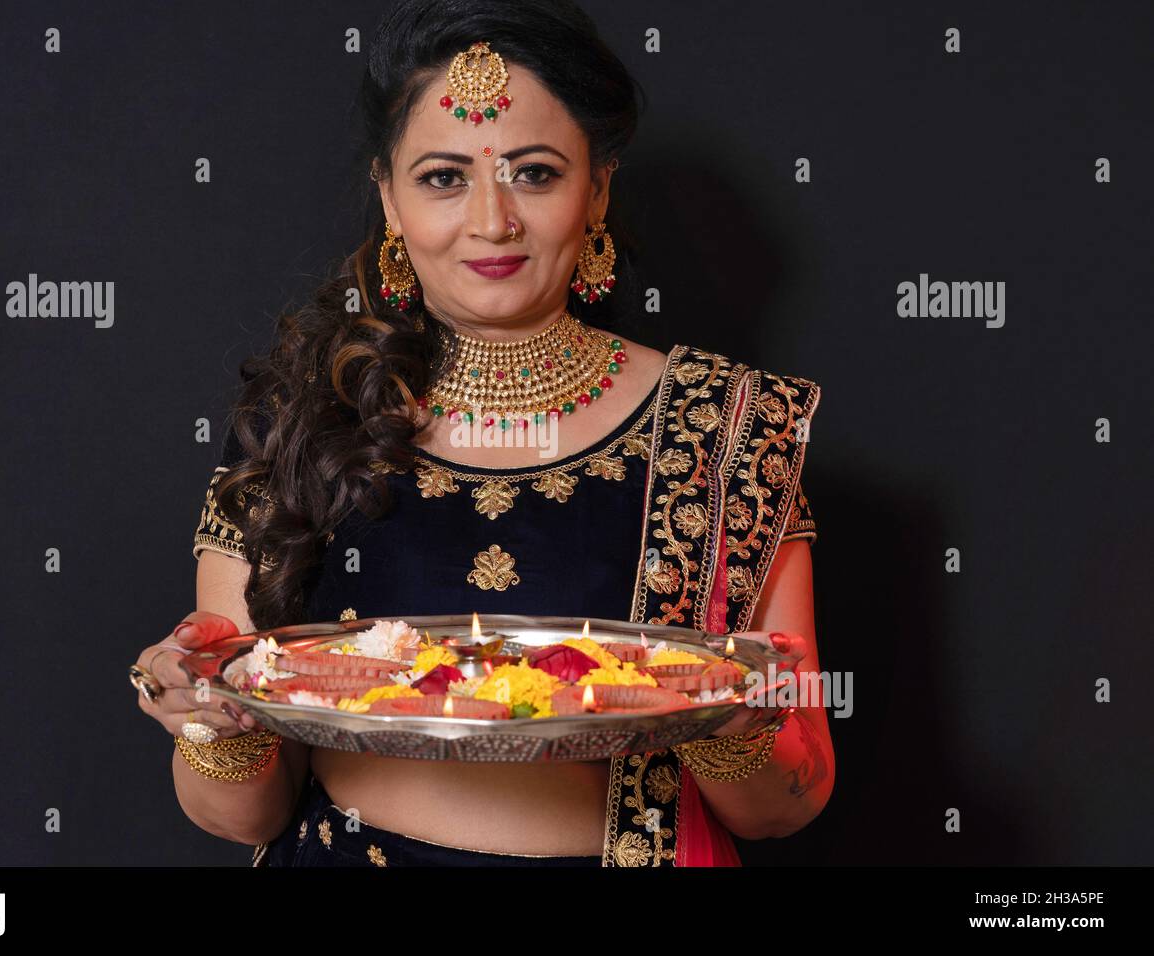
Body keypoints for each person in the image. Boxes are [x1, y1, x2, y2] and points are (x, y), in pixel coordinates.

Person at [130, 0, 834, 867]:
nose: (492, 220)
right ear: (388, 198)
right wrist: (211, 720)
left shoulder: (726, 428)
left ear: (598, 187)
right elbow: (241, 818)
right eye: (443, 177)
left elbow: (781, 810)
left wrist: (735, 716)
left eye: (535, 173)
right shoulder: (305, 419)